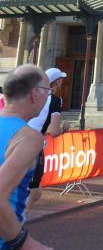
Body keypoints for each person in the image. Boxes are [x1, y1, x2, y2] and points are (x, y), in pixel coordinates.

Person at [0, 65, 54, 250]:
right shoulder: (28, 137)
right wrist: (23, 243)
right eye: (48, 92)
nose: (48, 98)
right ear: (35, 94)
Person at [28, 68, 70, 208]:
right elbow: (54, 131)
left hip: (14, 138)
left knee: (31, 189)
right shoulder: (55, 100)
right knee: (34, 190)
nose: (61, 83)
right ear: (57, 82)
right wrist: (64, 128)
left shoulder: (31, 94)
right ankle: (18, 218)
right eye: (61, 80)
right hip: (32, 146)